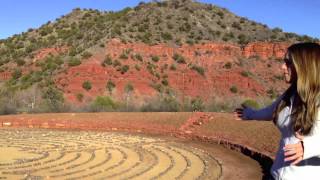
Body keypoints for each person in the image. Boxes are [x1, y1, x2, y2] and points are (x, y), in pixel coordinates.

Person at [234, 42, 320, 180]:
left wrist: (308, 148)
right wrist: (249, 114)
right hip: (277, 174)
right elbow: (271, 111)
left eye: (288, 62)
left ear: (305, 66)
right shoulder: (290, 95)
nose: (282, 67)